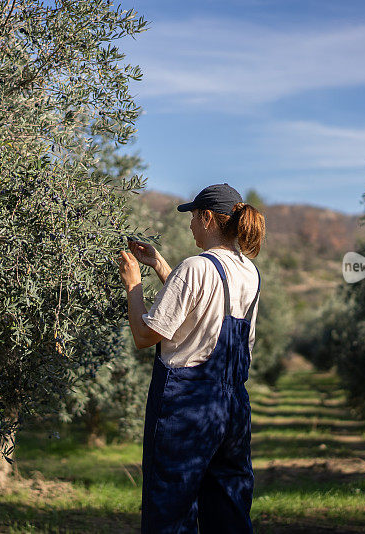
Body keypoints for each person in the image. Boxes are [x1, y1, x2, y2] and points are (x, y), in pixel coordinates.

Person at [117, 183, 266, 533]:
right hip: (232, 409)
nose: (189, 226)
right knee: (228, 509)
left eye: (193, 218)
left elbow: (144, 335)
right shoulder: (248, 272)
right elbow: (203, 309)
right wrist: (159, 264)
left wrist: (133, 284)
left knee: (171, 510)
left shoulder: (196, 267)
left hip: (185, 406)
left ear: (208, 217)